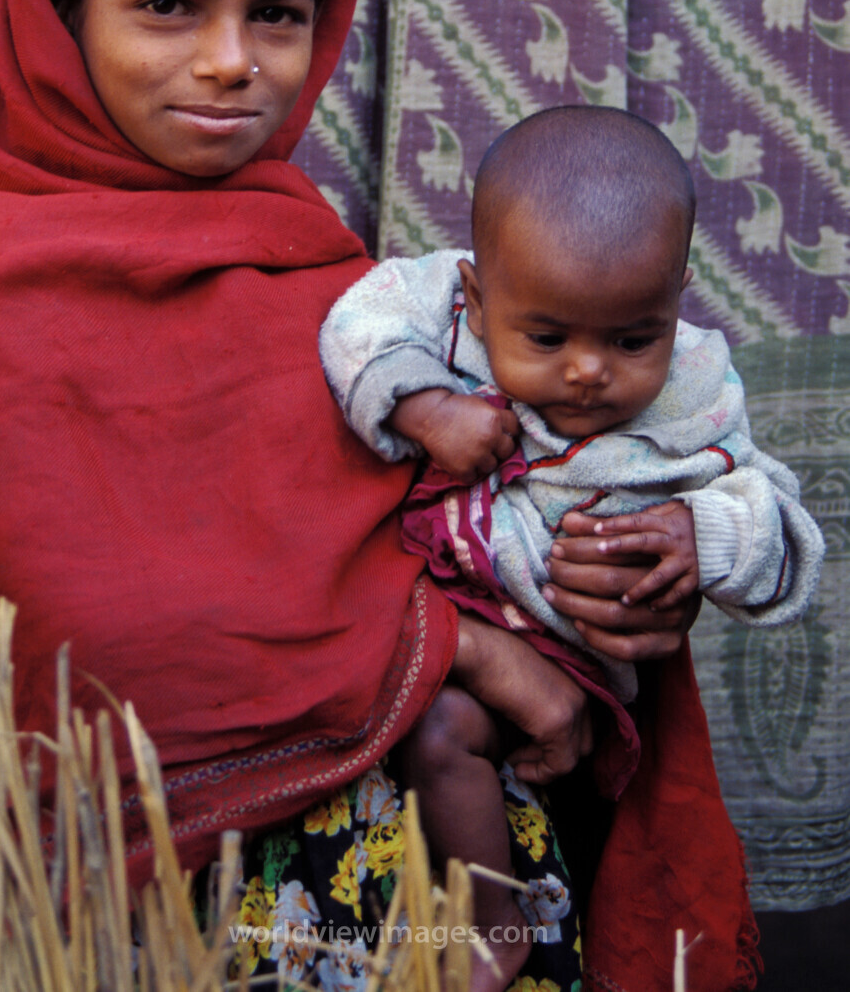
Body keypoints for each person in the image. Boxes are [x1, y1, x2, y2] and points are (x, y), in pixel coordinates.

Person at [0, 0, 749, 992]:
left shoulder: (315, 258)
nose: (232, 61)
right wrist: (459, 651)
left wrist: (632, 568)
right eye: (170, 5)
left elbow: (461, 499)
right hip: (216, 890)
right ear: (59, 8)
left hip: (449, 850)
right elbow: (104, 614)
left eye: (278, 13)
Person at [321, 107, 823, 980]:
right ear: (478, 297)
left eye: (634, 339)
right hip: (445, 625)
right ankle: (491, 913)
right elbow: (353, 326)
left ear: (676, 300)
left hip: (584, 652)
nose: (589, 370)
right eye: (547, 338)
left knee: (466, 737)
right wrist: (424, 407)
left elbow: (781, 529)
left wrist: (701, 534)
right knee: (438, 732)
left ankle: (516, 879)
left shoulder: (694, 390)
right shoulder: (441, 310)